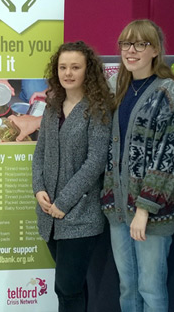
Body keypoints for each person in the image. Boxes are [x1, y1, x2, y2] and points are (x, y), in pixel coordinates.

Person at [100, 20, 174, 311]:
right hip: (118, 208)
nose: (131, 50)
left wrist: (145, 209)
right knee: (127, 287)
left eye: (140, 44)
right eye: (125, 43)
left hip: (151, 213)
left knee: (151, 288)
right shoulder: (119, 89)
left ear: (155, 50)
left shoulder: (168, 90)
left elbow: (168, 155)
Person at [32, 41, 113, 311]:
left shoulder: (98, 108)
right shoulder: (52, 106)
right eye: (63, 67)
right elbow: (40, 152)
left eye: (75, 67)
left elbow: (96, 162)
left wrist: (62, 203)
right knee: (72, 287)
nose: (68, 73)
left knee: (66, 287)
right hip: (49, 214)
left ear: (87, 71)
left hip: (81, 215)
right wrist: (38, 189)